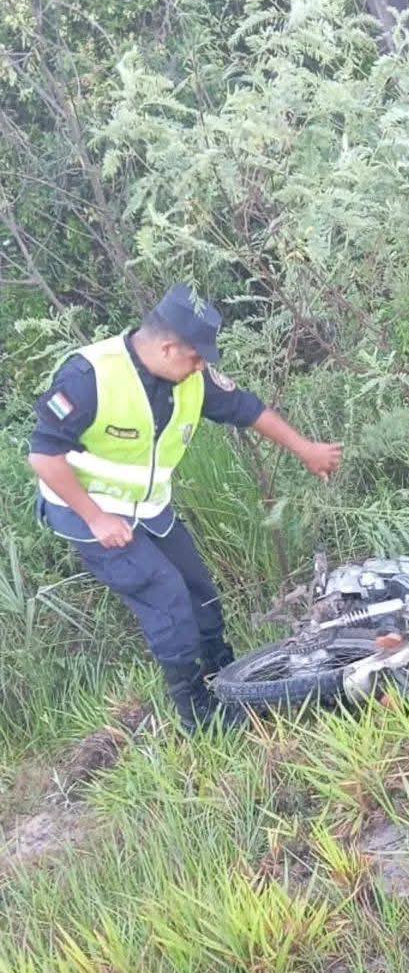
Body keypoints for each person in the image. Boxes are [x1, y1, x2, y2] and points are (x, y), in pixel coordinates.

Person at [28, 284, 342, 731]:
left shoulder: (190, 378)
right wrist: (97, 518)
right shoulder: (89, 376)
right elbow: (43, 456)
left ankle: (228, 681)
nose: (202, 367)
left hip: (149, 508)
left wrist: (306, 449)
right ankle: (198, 715)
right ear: (167, 346)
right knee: (166, 595)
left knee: (200, 591)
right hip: (88, 513)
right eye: (196, 357)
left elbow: (247, 408)